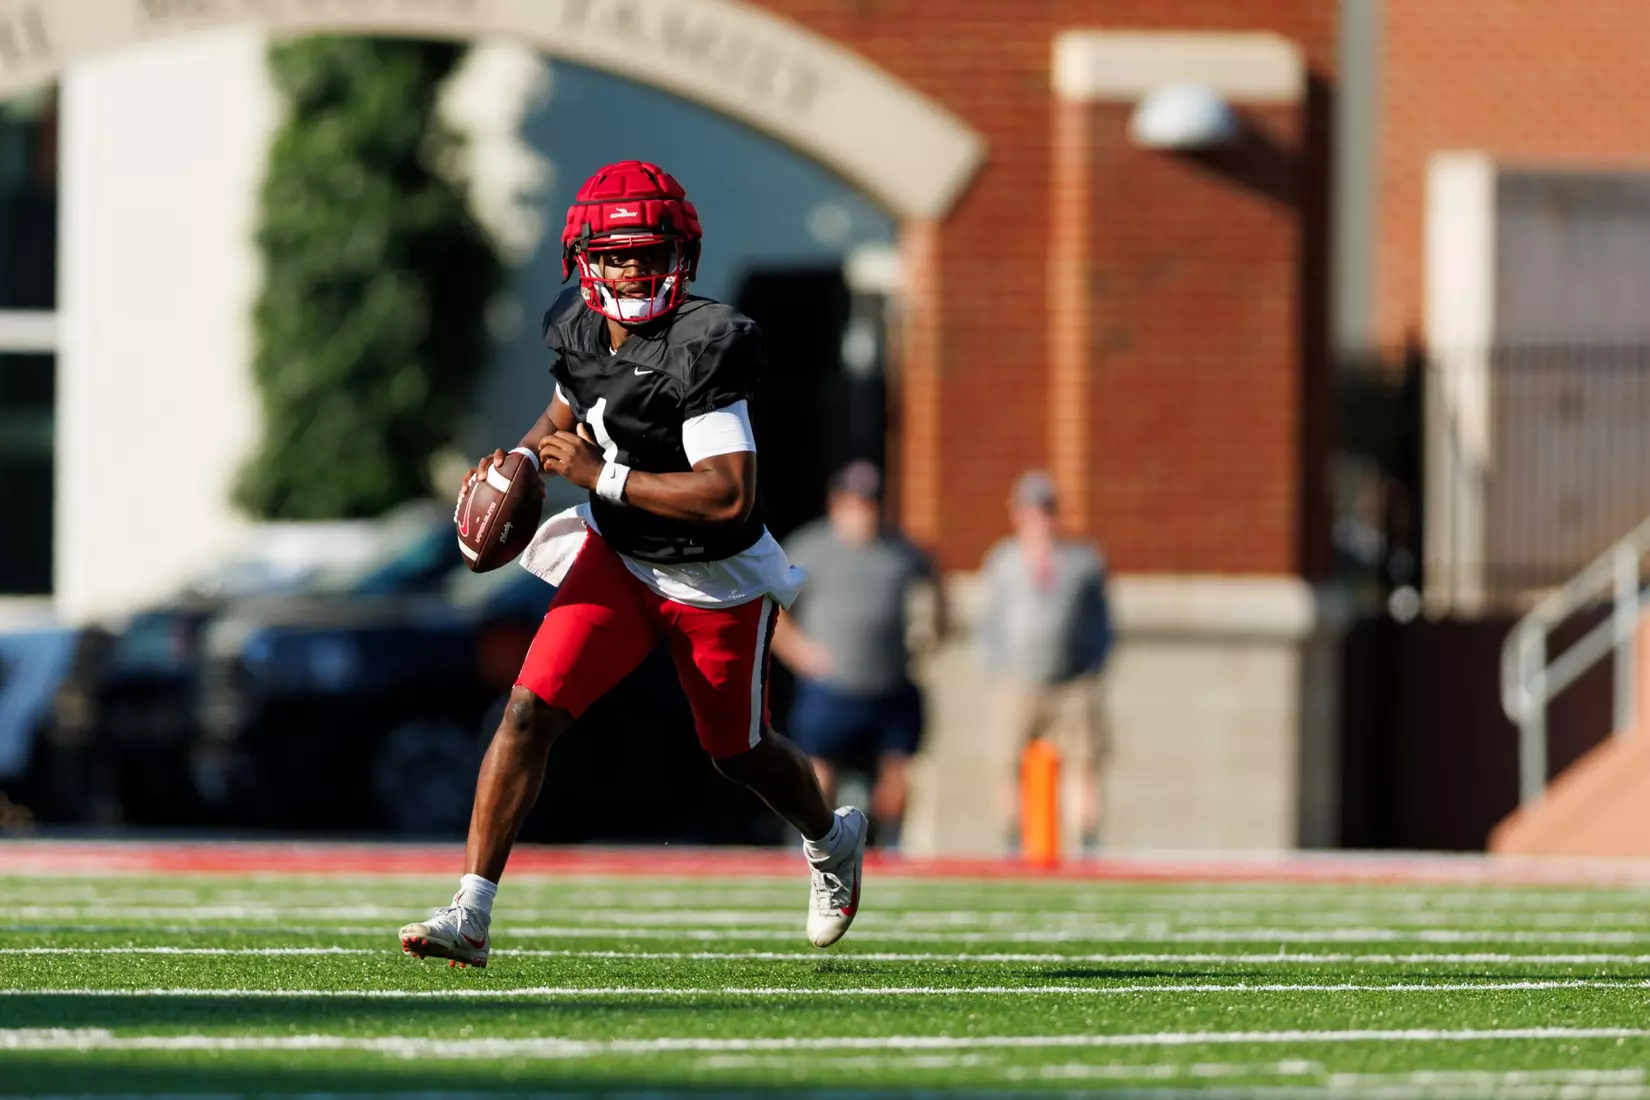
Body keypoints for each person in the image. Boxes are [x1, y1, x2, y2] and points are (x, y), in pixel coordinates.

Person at [398, 161, 865, 968]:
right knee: (526, 711)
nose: (631, 270)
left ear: (680, 256)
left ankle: (830, 842)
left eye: (648, 254)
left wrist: (599, 475)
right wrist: (523, 464)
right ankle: (470, 911)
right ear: (584, 259)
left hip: (711, 575)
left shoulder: (706, 342)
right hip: (619, 557)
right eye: (615, 256)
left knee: (736, 750)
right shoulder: (578, 324)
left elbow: (728, 496)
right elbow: (567, 412)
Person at [772, 460, 941, 849]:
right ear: (837, 504)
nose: (864, 511)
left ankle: (886, 846)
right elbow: (773, 608)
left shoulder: (901, 552)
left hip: (889, 684)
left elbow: (935, 588)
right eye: (856, 502)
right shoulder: (810, 548)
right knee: (819, 771)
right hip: (832, 686)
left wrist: (931, 637)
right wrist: (799, 652)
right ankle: (814, 845)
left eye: (871, 502)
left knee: (897, 773)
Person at [975, 470, 1114, 854]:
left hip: (1073, 681)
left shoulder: (1084, 561)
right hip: (1017, 680)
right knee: (1008, 763)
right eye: (1031, 510)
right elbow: (989, 622)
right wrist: (994, 666)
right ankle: (1012, 843)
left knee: (1083, 763)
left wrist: (1093, 665)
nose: (1039, 519)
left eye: (1046, 509)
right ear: (1017, 514)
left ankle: (1086, 845)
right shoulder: (1003, 561)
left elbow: (1103, 621)